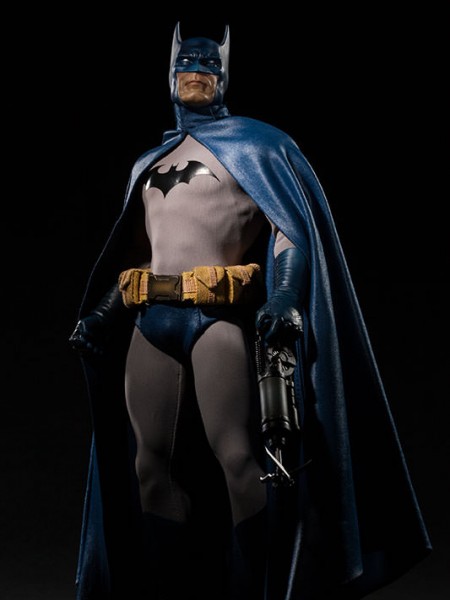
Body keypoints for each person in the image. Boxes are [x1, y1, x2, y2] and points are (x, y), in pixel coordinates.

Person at [69, 23, 431, 600]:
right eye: (186, 64)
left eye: (207, 65)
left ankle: (261, 589)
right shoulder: (148, 164)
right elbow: (135, 254)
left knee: (240, 458)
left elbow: (290, 231)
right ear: (169, 74)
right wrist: (103, 315)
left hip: (215, 319)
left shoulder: (260, 147)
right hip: (150, 320)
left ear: (224, 75)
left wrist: (285, 295)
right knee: (148, 467)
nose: (196, 72)